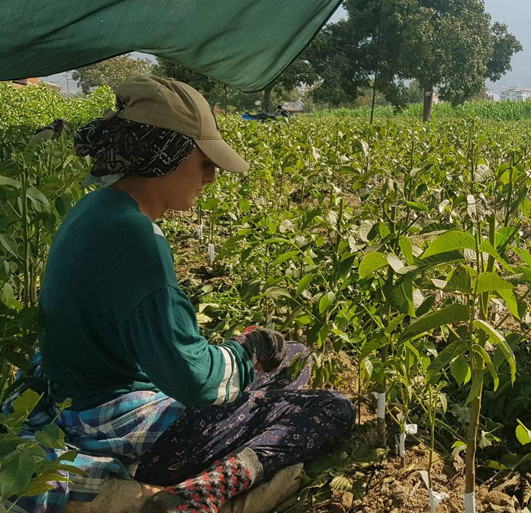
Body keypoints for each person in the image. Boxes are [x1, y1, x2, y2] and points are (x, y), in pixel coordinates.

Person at [9, 75, 354, 513]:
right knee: (327, 408)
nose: (210, 177)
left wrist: (249, 355)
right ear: (165, 155)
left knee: (293, 357)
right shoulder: (137, 241)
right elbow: (193, 381)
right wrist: (247, 351)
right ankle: (197, 494)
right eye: (204, 161)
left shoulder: (95, 208)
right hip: (123, 426)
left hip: (77, 401)